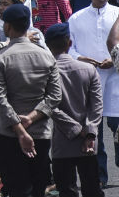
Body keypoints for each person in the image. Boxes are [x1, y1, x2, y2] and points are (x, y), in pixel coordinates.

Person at [0, 3, 62, 197]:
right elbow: (55, 96)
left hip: (9, 134)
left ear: (7, 26)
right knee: (38, 187)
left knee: (16, 189)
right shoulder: (46, 56)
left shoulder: (0, 58)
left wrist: (20, 130)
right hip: (40, 132)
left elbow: (0, 100)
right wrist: (31, 118)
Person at [47, 22, 104, 197]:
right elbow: (97, 105)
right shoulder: (88, 69)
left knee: (66, 190)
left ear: (48, 46)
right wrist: (89, 131)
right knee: (92, 188)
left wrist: (75, 130)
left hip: (63, 140)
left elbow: (50, 107)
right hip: (88, 142)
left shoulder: (47, 71)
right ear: (69, 43)